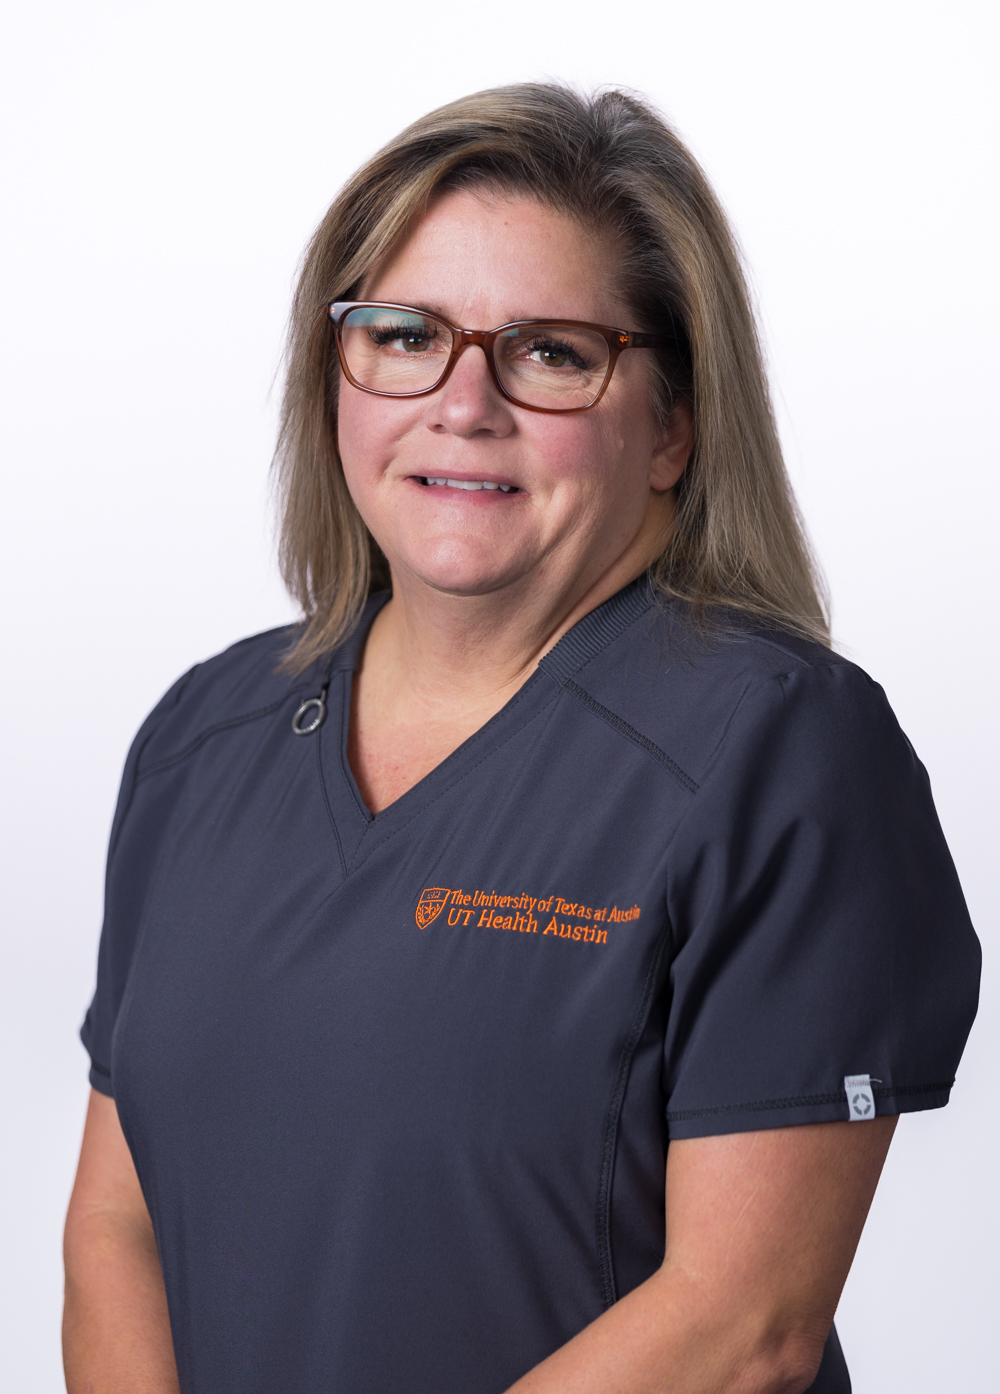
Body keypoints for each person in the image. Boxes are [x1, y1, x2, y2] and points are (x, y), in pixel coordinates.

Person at [63, 85, 980, 1394]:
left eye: (550, 351)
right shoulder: (205, 738)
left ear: (671, 423)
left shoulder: (783, 754)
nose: (464, 402)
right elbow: (118, 1226)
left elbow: (743, 1326)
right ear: (337, 376)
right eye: (403, 336)